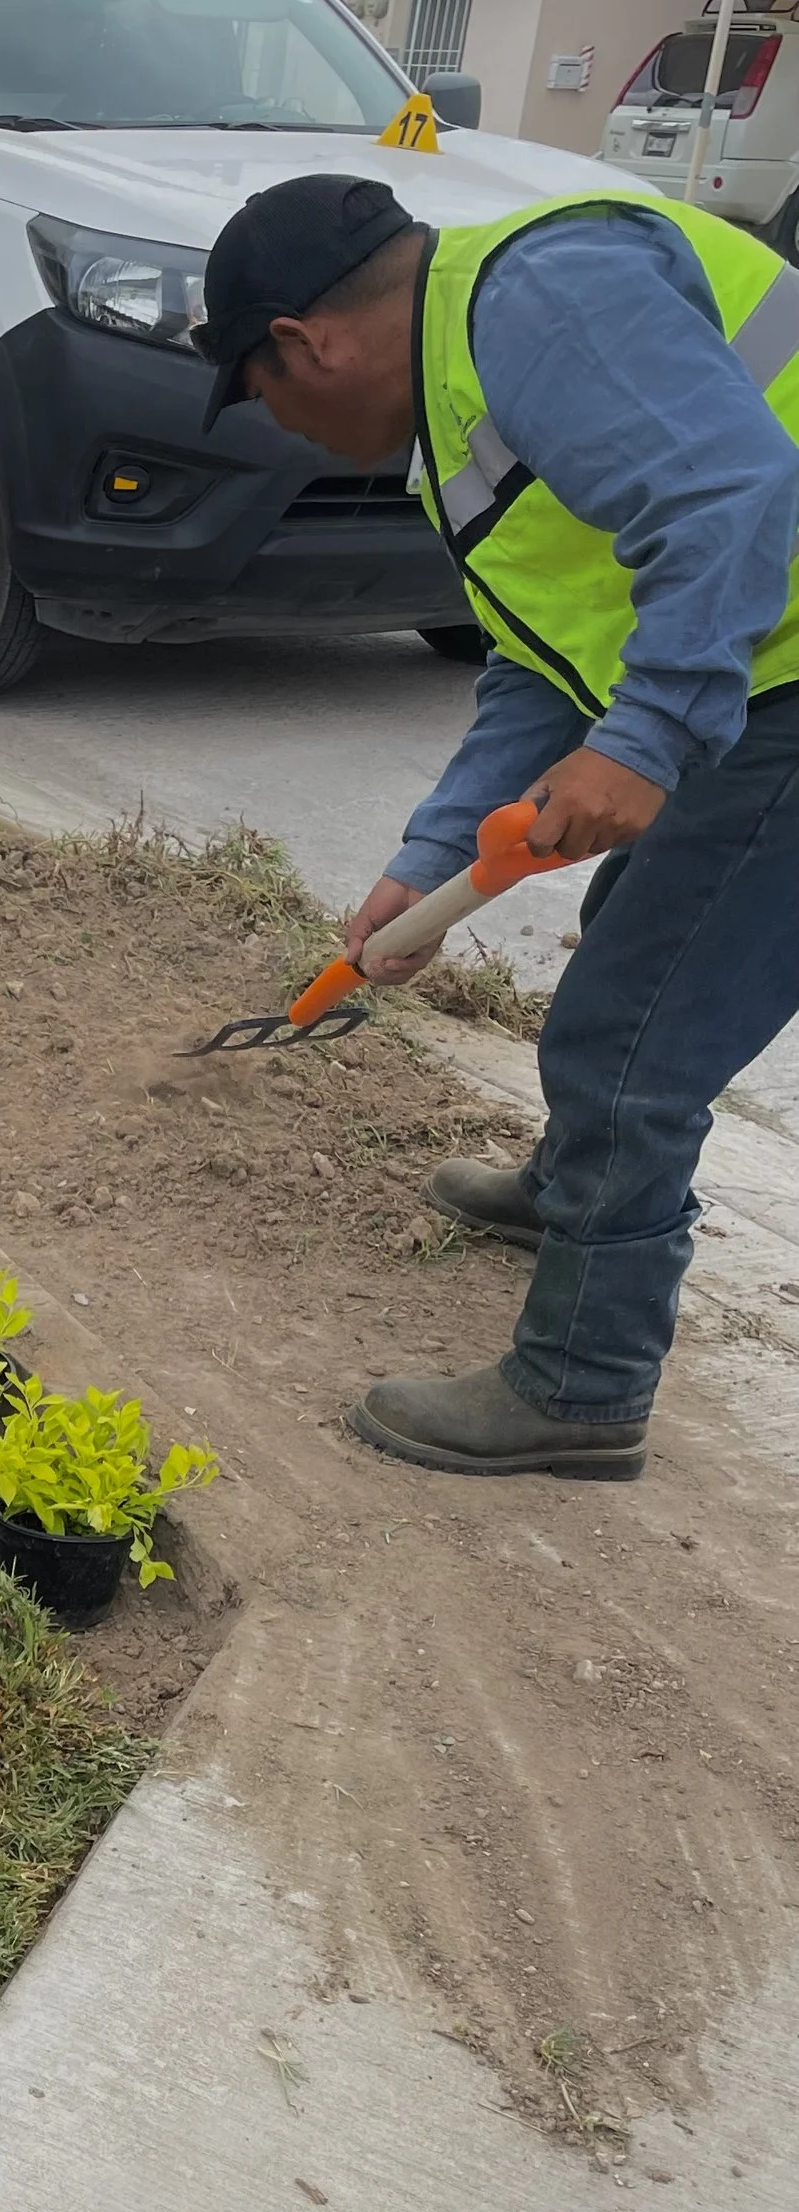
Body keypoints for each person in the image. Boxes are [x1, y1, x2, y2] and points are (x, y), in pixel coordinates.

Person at [195, 169, 799, 1482]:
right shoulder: (463, 398)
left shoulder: (537, 299)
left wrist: (645, 736)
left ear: (307, 343)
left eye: (263, 394)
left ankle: (585, 1383)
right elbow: (543, 658)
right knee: (622, 931)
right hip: (759, 660)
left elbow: (739, 495)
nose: (283, 427)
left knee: (634, 1035)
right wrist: (426, 861)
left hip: (784, 681)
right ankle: (578, 1186)